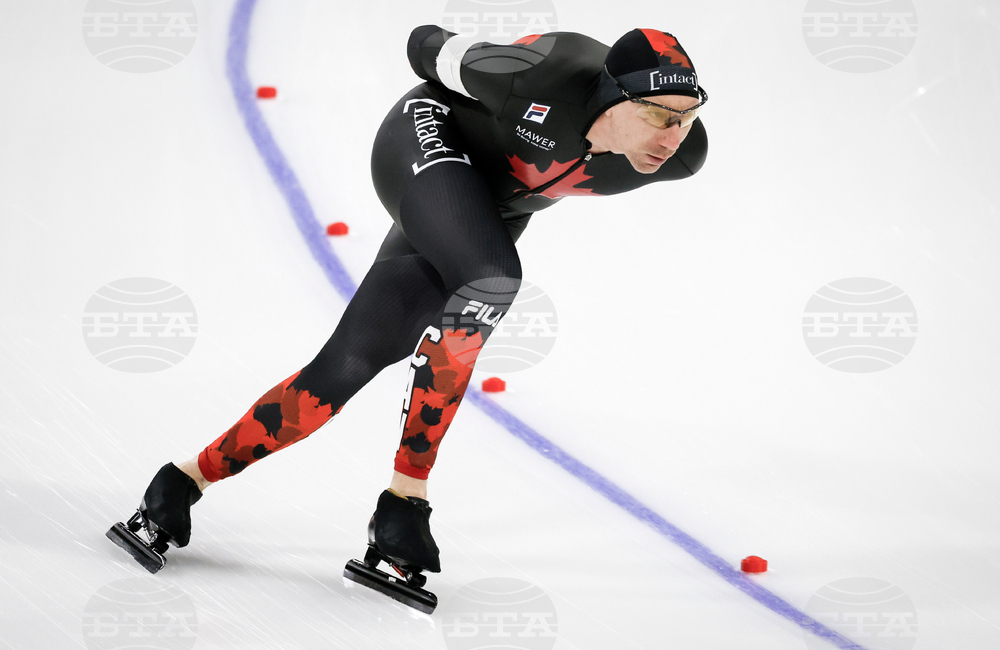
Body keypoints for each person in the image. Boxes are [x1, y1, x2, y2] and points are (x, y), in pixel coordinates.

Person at [109, 24, 708, 606]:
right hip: (423, 139)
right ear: (611, 97)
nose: (675, 134)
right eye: (660, 114)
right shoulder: (538, 81)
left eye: (688, 115)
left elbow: (659, 135)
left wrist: (668, 122)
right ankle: (406, 500)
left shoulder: (683, 155)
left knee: (346, 365)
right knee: (493, 278)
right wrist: (463, 58)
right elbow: (424, 42)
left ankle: (181, 482)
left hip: (488, 206)